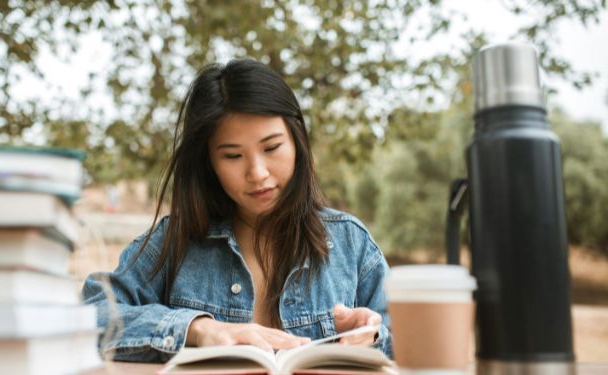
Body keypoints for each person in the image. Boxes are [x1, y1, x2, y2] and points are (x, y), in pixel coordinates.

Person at [82, 58, 392, 362]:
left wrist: (374, 337)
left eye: (271, 148)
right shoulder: (173, 241)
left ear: (297, 140)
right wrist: (199, 329)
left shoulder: (351, 243)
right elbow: (92, 314)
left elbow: (410, 343)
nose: (257, 173)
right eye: (232, 156)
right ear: (209, 163)